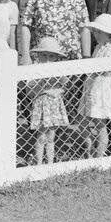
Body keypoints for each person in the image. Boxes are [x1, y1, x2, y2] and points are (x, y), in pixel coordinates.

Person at [78, 14, 111, 158]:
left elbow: (108, 69)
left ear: (108, 33)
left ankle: (100, 154)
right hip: (92, 86)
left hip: (103, 88)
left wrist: (95, 69)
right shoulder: (98, 47)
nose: (95, 34)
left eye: (99, 31)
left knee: (101, 123)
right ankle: (89, 151)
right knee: (84, 121)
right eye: (95, 31)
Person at [27, 37, 71, 165]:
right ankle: (39, 163)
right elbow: (29, 91)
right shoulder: (35, 69)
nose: (47, 59)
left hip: (54, 105)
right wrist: (41, 83)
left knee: (51, 137)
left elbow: (65, 84)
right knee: (41, 137)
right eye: (44, 55)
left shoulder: (57, 69)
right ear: (39, 55)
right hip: (42, 105)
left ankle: (50, 163)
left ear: (56, 57)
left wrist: (57, 83)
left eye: (51, 56)